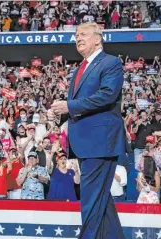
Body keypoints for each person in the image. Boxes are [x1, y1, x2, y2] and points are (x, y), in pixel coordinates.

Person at [49, 22, 126, 238]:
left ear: (98, 39)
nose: (78, 38)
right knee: (100, 199)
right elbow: (80, 102)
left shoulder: (110, 63)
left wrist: (69, 106)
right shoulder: (79, 69)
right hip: (85, 142)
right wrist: (61, 112)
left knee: (91, 199)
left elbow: (107, 95)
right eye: (76, 35)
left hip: (100, 142)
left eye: (83, 34)